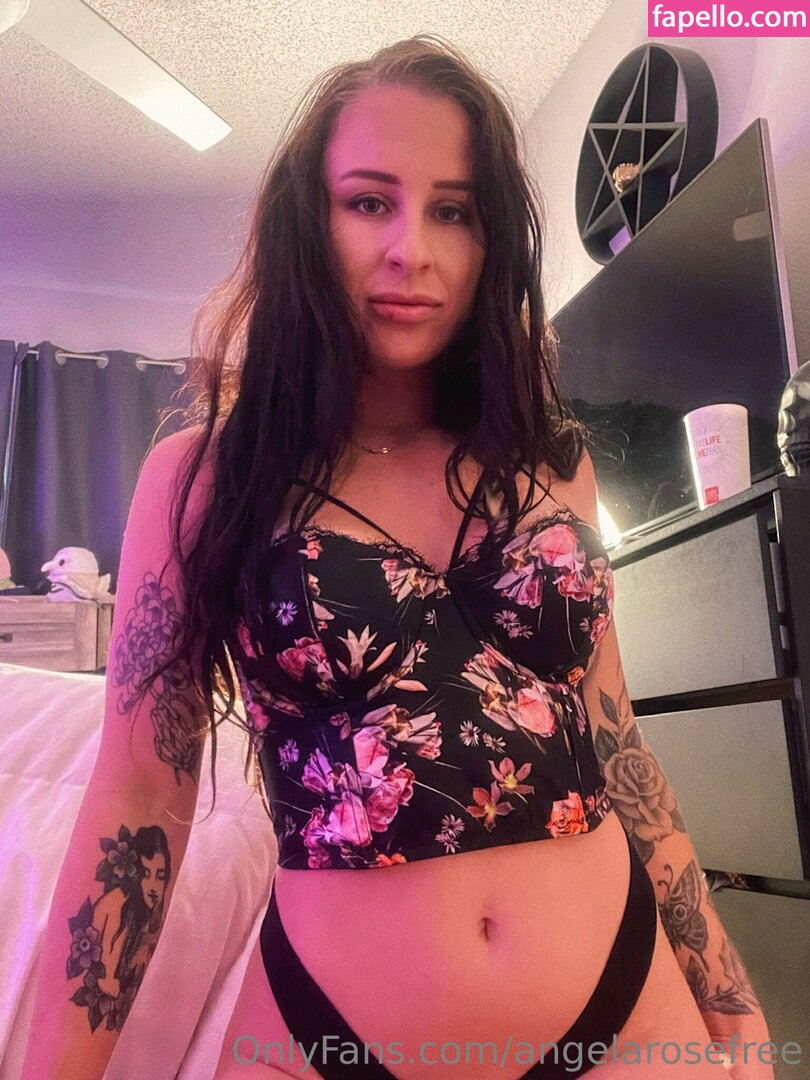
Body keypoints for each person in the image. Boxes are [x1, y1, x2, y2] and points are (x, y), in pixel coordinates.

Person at [21, 34, 775, 1080]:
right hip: (330, 1036)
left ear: (490, 240)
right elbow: (141, 798)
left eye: (453, 210)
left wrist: (728, 991)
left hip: (628, 1013)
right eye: (369, 201)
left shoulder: (551, 461)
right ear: (308, 222)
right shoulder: (203, 480)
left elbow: (617, 744)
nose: (411, 248)